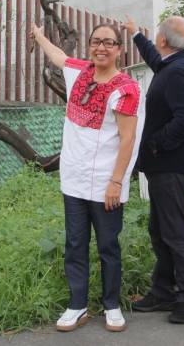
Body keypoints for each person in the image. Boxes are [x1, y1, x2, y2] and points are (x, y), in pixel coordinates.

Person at [30, 22, 144, 333]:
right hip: (75, 180)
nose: (101, 48)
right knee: (76, 243)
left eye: (108, 42)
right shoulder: (79, 71)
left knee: (108, 246)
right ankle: (77, 304)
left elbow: (128, 138)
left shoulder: (126, 88)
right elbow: (57, 56)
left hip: (107, 183)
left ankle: (112, 305)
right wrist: (40, 36)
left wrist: (117, 182)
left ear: (119, 49)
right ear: (89, 46)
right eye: (96, 42)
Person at [122, 15, 184, 324]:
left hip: (169, 164)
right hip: (163, 166)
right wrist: (136, 36)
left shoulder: (181, 71)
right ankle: (164, 291)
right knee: (160, 231)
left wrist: (156, 143)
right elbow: (157, 62)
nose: (155, 38)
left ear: (165, 40)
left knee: (174, 232)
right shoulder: (175, 64)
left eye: (156, 34)